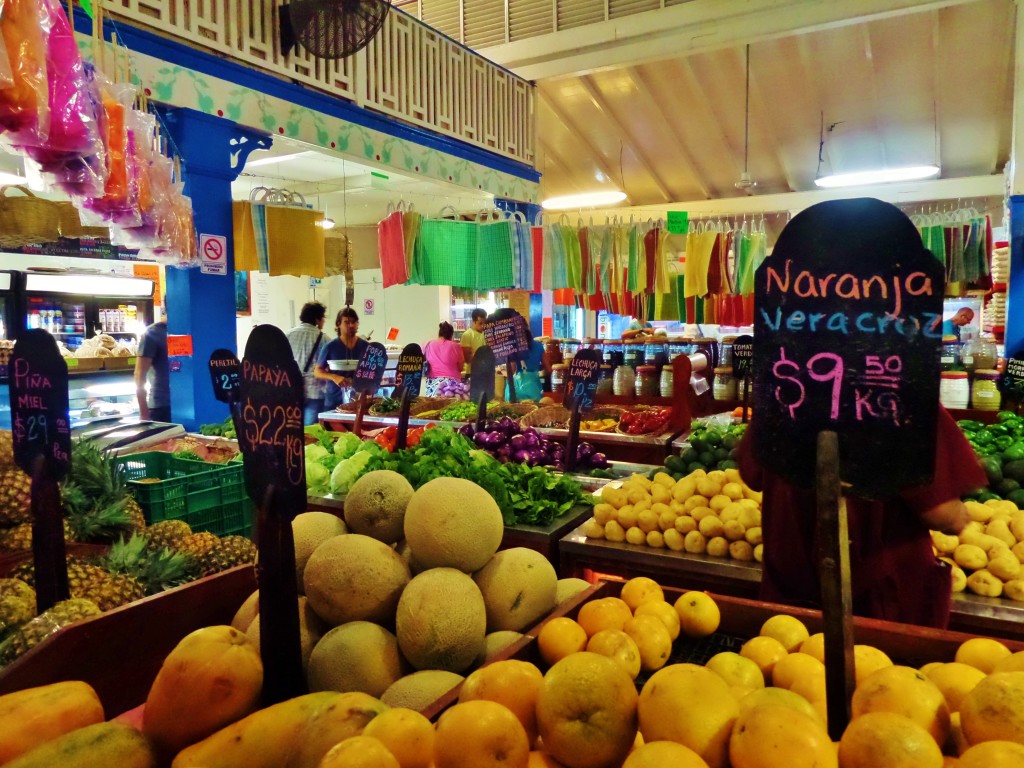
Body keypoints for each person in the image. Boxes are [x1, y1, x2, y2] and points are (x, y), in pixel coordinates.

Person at [736, 406, 984, 628]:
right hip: (875, 604)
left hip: (790, 586)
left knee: (793, 673)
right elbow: (942, 515)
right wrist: (962, 514)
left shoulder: (784, 389)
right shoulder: (901, 396)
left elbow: (752, 475)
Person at [314, 307, 369, 410]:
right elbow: (317, 372)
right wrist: (334, 377)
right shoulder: (330, 347)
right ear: (338, 324)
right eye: (347, 322)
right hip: (334, 400)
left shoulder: (366, 347)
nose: (351, 325)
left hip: (359, 402)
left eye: (354, 322)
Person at [287, 301, 327, 426]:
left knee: (293, 431)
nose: (323, 321)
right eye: (323, 318)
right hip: (315, 392)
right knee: (310, 434)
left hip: (292, 391)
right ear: (317, 319)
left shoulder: (288, 335)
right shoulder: (324, 339)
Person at [134, 319, 170, 422]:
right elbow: (139, 374)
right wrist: (143, 412)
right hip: (161, 407)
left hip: (187, 405)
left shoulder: (189, 329)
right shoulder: (153, 333)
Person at [424, 322, 464, 397]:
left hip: (433, 383)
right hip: (452, 384)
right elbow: (460, 368)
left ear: (439, 333)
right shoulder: (456, 346)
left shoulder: (427, 345)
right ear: (451, 335)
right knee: (452, 407)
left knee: (432, 406)